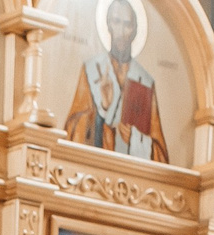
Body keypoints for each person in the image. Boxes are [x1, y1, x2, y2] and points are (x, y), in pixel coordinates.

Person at [63, 0, 168, 161]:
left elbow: (160, 154)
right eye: (116, 22)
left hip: (130, 172)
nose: (121, 31)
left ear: (134, 30)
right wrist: (102, 110)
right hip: (94, 167)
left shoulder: (145, 81)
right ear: (108, 24)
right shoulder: (92, 69)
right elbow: (72, 129)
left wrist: (136, 139)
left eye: (127, 24)